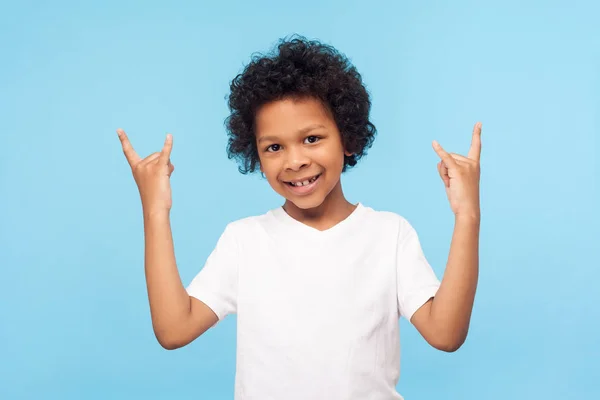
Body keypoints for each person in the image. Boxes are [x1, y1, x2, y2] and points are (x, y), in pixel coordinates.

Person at [117, 35, 481, 400]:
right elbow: (173, 330)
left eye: (311, 138)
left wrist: (467, 216)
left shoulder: (389, 234)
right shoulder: (244, 240)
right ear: (255, 156)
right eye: (274, 147)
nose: (294, 161)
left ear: (348, 138)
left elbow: (445, 335)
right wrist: (155, 210)